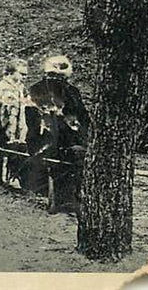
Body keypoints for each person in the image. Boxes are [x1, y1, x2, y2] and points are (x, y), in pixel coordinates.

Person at [24, 54, 91, 208]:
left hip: (35, 144)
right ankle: (70, 196)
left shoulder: (33, 89)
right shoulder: (71, 91)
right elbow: (82, 120)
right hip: (61, 146)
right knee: (78, 151)